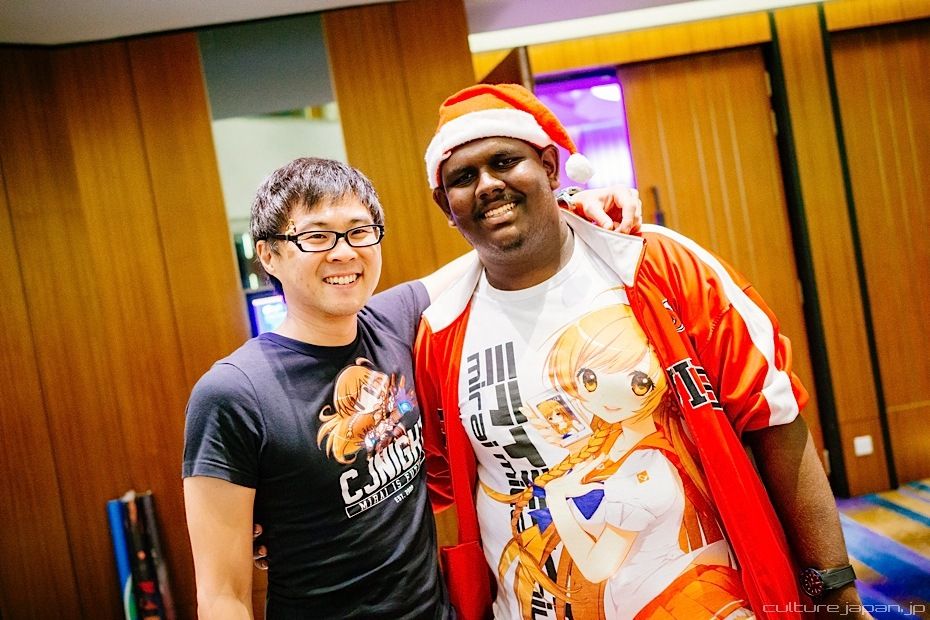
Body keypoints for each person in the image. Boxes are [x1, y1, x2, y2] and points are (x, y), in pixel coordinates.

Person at [414, 83, 869, 620]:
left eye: (505, 161)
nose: (488, 185)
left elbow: (773, 417)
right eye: (463, 177)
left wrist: (833, 589)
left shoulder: (657, 265)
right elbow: (443, 484)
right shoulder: (440, 333)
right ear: (445, 206)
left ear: (550, 168)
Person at [182, 156, 642, 618]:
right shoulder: (233, 393)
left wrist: (569, 206)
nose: (344, 252)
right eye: (317, 236)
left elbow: (489, 253)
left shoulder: (392, 323)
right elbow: (222, 596)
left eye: (359, 231)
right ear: (268, 255)